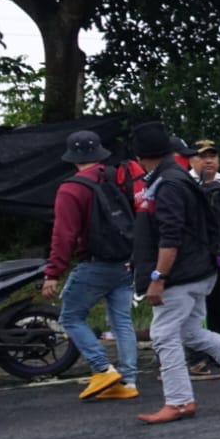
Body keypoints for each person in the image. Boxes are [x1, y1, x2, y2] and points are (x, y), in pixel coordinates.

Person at [127, 121, 220, 423]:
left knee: (164, 336)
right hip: (198, 269)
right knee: (190, 331)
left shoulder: (166, 184)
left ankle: (179, 402)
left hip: (179, 273)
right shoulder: (177, 178)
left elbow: (171, 235)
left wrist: (158, 277)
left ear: (140, 156)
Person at [41, 130, 140, 401]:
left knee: (70, 317)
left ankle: (103, 368)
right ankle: (129, 381)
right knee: (121, 322)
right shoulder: (115, 177)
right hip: (126, 261)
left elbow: (64, 234)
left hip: (95, 263)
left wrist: (53, 272)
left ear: (72, 157)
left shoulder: (71, 188)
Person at [185, 138, 220, 380]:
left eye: (213, 156)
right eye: (202, 156)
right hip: (190, 256)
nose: (208, 160)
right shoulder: (181, 183)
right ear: (191, 159)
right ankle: (194, 359)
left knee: (217, 305)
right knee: (190, 309)